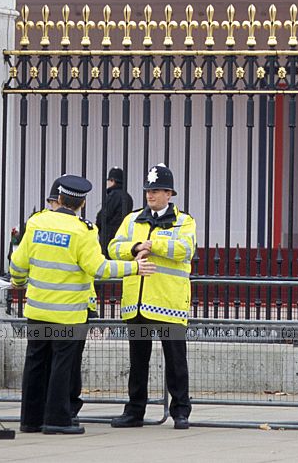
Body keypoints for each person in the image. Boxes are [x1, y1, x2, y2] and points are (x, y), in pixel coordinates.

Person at [10, 174, 156, 435]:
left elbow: (18, 262)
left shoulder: (36, 222)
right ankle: (57, 419)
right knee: (61, 366)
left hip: (37, 309)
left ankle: (30, 420)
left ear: (60, 198)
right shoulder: (83, 230)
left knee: (34, 362)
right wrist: (135, 267)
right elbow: (98, 268)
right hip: (68, 313)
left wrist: (18, 282)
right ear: (82, 203)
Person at [107, 163, 196, 430]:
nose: (150, 195)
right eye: (148, 190)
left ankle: (181, 412)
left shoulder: (184, 220)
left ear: (169, 193)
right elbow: (113, 246)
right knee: (138, 363)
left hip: (169, 302)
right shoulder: (132, 219)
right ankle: (135, 411)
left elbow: (185, 248)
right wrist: (134, 247)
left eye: (156, 190)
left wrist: (153, 245)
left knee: (176, 363)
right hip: (138, 303)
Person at [96, 167, 134, 254]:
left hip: (109, 236)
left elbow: (103, 216)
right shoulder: (128, 197)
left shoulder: (113, 195)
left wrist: (98, 227)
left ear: (112, 181)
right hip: (123, 236)